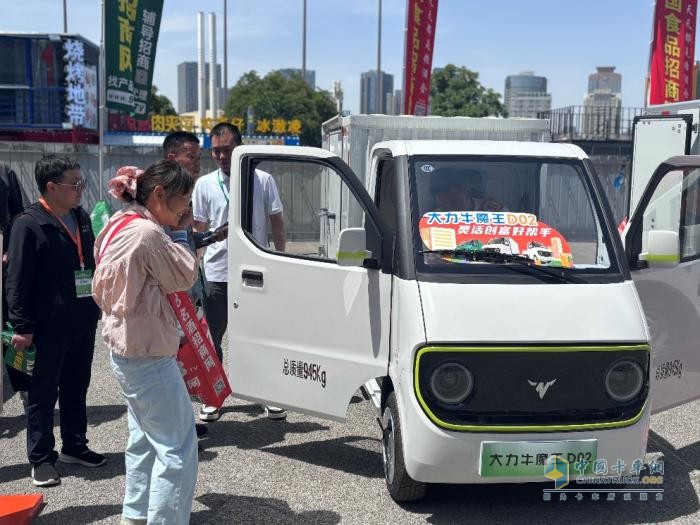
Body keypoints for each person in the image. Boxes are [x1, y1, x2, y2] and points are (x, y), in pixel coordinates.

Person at [92, 160, 199, 525]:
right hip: (149, 351)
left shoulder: (116, 223)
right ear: (158, 195)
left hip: (124, 347)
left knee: (142, 440)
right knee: (177, 448)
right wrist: (183, 234)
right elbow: (183, 275)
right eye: (182, 201)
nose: (185, 209)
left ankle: (135, 516)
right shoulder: (148, 234)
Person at [5, 155, 104, 487]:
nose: (81, 189)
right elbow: (16, 280)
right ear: (51, 187)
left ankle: (75, 445)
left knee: (77, 386)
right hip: (46, 326)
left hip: (82, 319)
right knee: (42, 393)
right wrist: (21, 326)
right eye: (74, 184)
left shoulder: (81, 216)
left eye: (81, 183)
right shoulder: (28, 224)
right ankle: (41, 458)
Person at [192, 122, 286, 421]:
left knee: (260, 336)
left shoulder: (263, 179)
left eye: (227, 150)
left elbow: (276, 222)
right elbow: (197, 228)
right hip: (217, 272)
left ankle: (266, 393)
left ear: (240, 148)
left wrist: (280, 261)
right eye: (216, 151)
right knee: (213, 337)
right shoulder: (205, 184)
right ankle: (214, 395)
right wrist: (194, 265)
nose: (220, 156)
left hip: (255, 273)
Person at [1, 163, 30, 406]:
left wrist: (11, 249)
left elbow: (18, 214)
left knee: (11, 328)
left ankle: (24, 387)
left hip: (2, 264)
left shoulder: (4, 172)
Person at [430, 167, 506, 212]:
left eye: (455, 202)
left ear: (466, 189)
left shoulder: (491, 209)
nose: (451, 209)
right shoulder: (438, 215)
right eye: (444, 206)